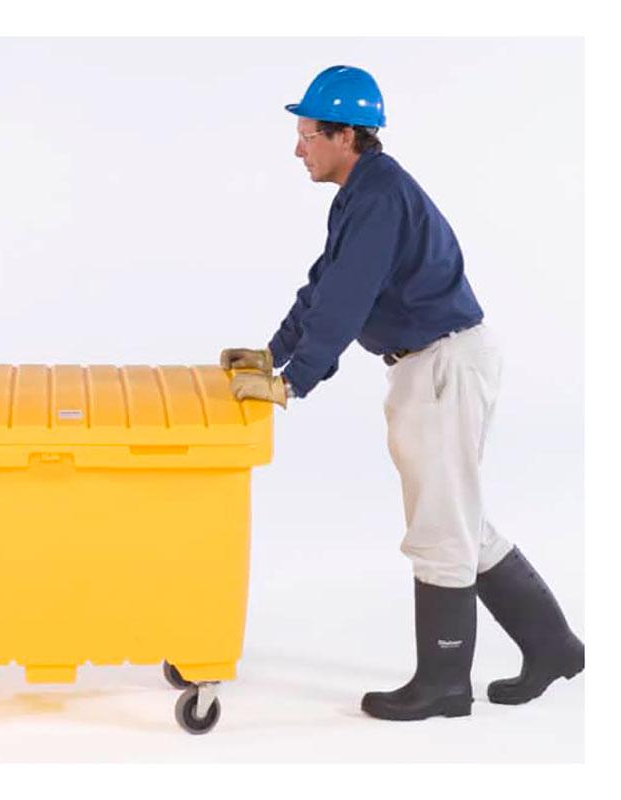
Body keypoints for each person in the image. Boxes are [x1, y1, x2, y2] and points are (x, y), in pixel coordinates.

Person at [220, 65, 584, 721]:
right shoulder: (363, 194)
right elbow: (324, 287)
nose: (297, 148)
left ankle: (445, 685)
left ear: (346, 136)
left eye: (307, 134)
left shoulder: (379, 198)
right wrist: (272, 354)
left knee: (441, 528)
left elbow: (347, 302)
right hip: (432, 364)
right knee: (459, 521)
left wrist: (291, 382)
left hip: (442, 366)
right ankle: (553, 647)